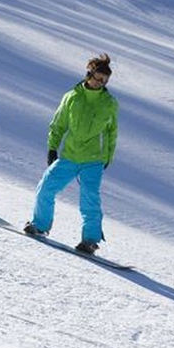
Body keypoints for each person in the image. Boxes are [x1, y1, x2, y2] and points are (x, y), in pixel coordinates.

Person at [24, 53, 119, 255]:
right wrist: (52, 147)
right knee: (46, 188)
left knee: (89, 199)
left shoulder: (109, 103)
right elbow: (58, 124)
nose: (100, 83)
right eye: (98, 78)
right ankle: (39, 226)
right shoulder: (72, 98)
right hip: (70, 156)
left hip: (94, 160)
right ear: (89, 75)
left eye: (104, 81)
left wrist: (108, 157)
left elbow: (112, 133)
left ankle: (90, 241)